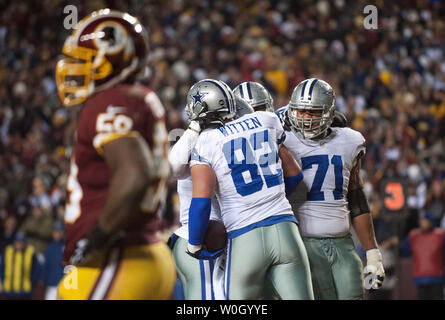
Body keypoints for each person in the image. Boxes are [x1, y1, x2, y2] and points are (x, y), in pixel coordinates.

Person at [54, 9, 176, 300]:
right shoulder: (137, 97)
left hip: (120, 258)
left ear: (110, 59)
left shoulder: (111, 100)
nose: (74, 68)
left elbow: (134, 175)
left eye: (83, 60)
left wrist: (95, 238)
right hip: (144, 256)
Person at [187, 79, 313, 300]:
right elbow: (294, 175)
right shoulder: (267, 120)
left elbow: (201, 202)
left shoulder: (206, 141)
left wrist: (194, 244)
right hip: (286, 230)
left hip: (244, 237)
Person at [280, 78, 385, 299]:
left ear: (328, 112)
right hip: (303, 243)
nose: (306, 118)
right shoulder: (282, 141)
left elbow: (356, 198)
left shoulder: (349, 140)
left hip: (343, 242)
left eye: (314, 112)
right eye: (300, 111)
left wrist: (372, 253)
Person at [167, 79, 229, 300]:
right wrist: (194, 128)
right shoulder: (190, 140)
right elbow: (173, 167)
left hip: (218, 238)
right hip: (200, 237)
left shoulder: (226, 138)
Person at [400, 211, 445, 300]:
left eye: (425, 220)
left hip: (437, 277)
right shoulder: (413, 235)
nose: (423, 223)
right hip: (420, 278)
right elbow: (404, 252)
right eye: (422, 220)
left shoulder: (440, 235)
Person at [0, 232, 41, 300]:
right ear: (14, 242)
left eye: (21, 242)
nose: (19, 244)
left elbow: (36, 269)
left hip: (25, 290)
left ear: (25, 243)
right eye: (17, 242)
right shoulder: (7, 251)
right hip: (9, 290)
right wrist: (4, 280)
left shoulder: (30, 252)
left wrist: (31, 282)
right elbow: (2, 268)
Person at [42, 221, 65, 300]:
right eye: (55, 232)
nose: (57, 234)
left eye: (59, 232)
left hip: (64, 285)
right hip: (51, 285)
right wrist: (45, 280)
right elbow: (46, 266)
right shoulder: (49, 247)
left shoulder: (66, 247)